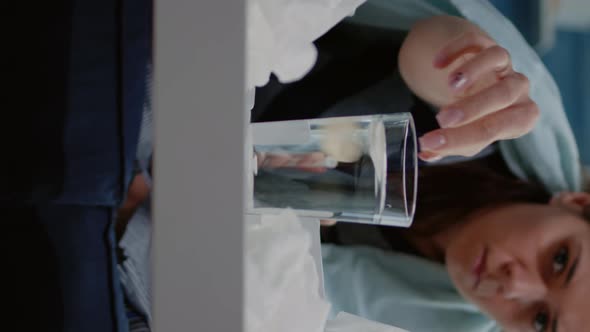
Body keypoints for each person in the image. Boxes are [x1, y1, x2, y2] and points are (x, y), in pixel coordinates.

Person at [117, 12, 589, 332]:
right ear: (577, 203)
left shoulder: (421, 317)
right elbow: (428, 51)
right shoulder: (489, 128)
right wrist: (456, 61)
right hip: (199, 68)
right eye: (560, 260)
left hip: (158, 195)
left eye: (540, 322)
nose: (514, 285)